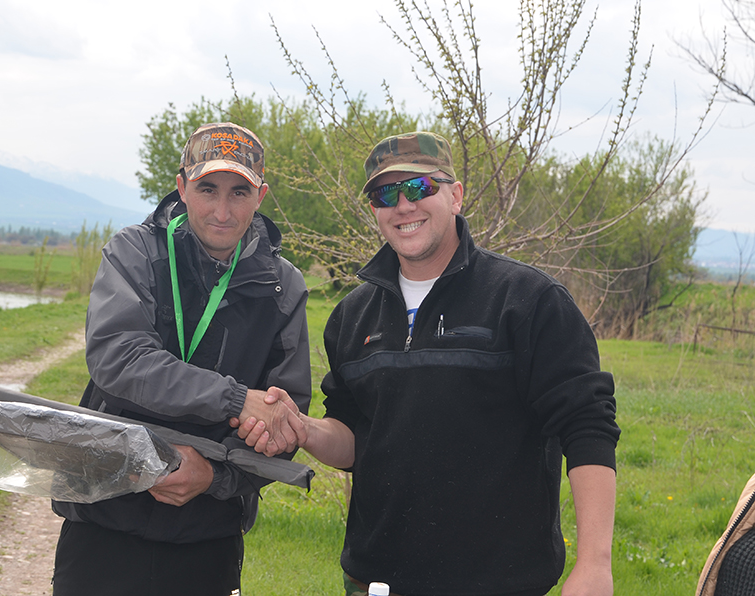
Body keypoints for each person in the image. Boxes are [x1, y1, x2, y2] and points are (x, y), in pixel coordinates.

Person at [237, 131, 621, 596]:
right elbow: (354, 438)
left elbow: (587, 425)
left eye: (419, 187)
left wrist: (595, 563)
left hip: (500, 583)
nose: (403, 206)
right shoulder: (352, 316)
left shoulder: (528, 300)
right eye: (385, 194)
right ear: (375, 210)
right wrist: (304, 428)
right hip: (374, 580)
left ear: (455, 196)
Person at [51, 122, 311, 596]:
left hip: (208, 534)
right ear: (182, 187)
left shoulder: (284, 286)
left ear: (260, 196)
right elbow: (118, 357)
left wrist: (215, 477)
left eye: (239, 192)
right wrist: (236, 400)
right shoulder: (134, 251)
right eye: (207, 189)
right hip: (104, 516)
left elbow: (285, 418)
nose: (222, 211)